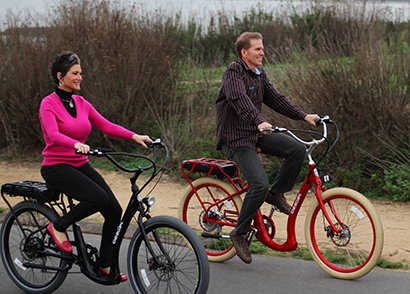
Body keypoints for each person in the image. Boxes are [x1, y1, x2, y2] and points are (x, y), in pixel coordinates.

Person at [39, 51, 152, 281]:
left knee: (114, 210)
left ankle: (104, 265)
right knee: (98, 198)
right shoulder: (48, 103)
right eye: (75, 73)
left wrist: (134, 136)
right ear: (60, 76)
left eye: (81, 73)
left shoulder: (81, 102)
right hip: (56, 166)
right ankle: (58, 226)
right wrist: (75, 144)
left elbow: (106, 126)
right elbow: (52, 134)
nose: (80, 77)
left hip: (79, 164)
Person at [215, 32, 320, 264]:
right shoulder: (233, 72)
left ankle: (276, 193)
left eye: (262, 48)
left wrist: (304, 116)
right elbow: (238, 99)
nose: (263, 52)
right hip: (235, 138)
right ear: (244, 53)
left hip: (255, 133)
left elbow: (276, 99)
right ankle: (239, 232)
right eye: (257, 49)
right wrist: (258, 121)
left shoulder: (259, 74)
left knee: (296, 150)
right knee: (258, 184)